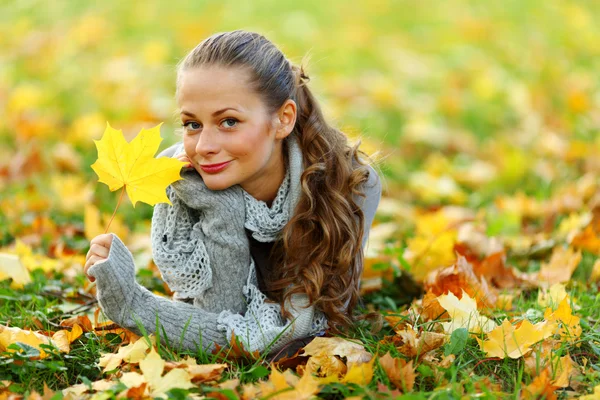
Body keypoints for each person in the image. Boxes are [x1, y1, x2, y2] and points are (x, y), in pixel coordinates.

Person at [83, 30, 382, 359]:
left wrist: (135, 306)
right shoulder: (178, 177)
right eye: (192, 124)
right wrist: (220, 208)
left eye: (228, 121)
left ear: (283, 120)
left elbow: (300, 333)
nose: (205, 147)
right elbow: (217, 312)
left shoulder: (349, 185)